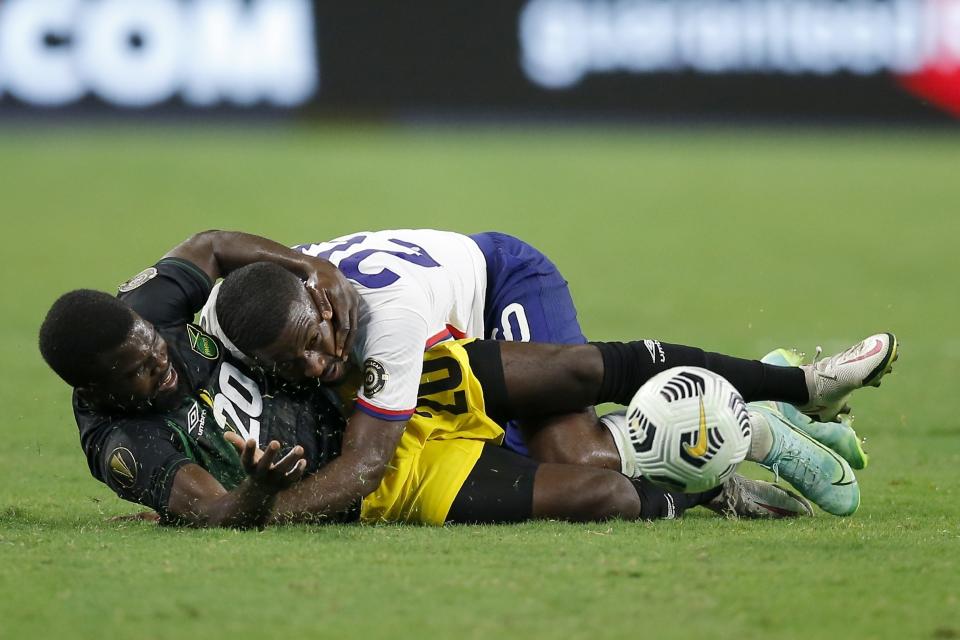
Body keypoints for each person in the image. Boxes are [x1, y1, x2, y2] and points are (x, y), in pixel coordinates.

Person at [38, 236, 822, 527]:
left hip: (370, 392)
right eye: (141, 370)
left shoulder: (147, 314)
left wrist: (312, 268)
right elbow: (211, 516)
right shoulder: (123, 443)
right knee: (598, 491)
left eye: (154, 343)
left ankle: (794, 389)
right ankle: (710, 492)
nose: (161, 358)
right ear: (99, 388)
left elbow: (210, 244)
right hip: (388, 478)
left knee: (581, 368)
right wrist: (256, 498)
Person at [210, 254, 897, 518]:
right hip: (443, 370)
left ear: (326, 306)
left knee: (578, 453)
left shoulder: (381, 320)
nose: (316, 364)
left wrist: (247, 514)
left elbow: (368, 462)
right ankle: (731, 451)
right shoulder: (245, 308)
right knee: (568, 469)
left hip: (497, 288)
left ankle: (789, 397)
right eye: (289, 362)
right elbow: (210, 242)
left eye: (316, 344)